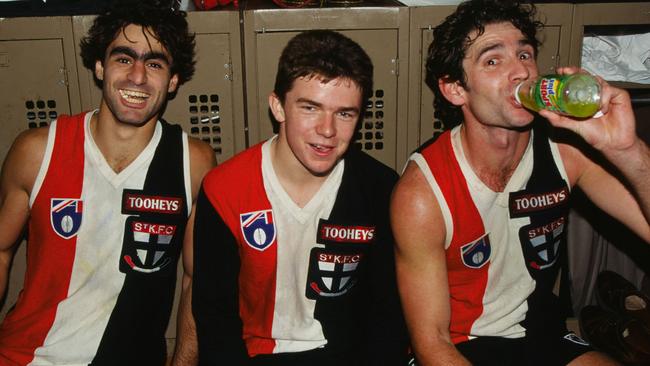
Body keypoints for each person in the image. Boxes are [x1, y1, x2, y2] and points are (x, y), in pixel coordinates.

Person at [390, 0, 650, 365]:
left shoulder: (565, 152)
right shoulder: (422, 192)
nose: (520, 72)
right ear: (454, 90)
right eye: (493, 61)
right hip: (462, 344)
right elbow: (432, 342)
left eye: (524, 55)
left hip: (542, 332)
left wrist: (627, 149)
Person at [0, 0, 216, 364]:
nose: (137, 76)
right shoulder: (38, 151)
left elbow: (198, 281)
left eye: (154, 63)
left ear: (174, 79)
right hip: (27, 355)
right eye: (123, 58)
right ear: (100, 67)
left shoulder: (192, 164)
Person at [178, 30, 408, 365]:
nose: (327, 130)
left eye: (345, 113)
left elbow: (387, 314)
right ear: (278, 107)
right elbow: (215, 319)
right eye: (310, 108)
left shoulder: (379, 188)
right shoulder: (225, 188)